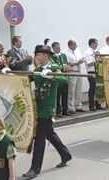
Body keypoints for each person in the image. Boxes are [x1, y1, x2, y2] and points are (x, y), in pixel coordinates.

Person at [23, 45, 72, 178]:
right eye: (36, 55)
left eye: (38, 55)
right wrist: (9, 73)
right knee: (50, 134)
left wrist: (51, 76)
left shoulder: (53, 68)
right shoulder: (38, 69)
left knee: (40, 139)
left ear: (45, 55)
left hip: (48, 107)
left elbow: (64, 80)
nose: (36, 57)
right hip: (38, 105)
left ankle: (35, 169)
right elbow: (26, 79)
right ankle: (65, 154)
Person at [51, 42, 71, 116]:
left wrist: (67, 68)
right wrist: (62, 67)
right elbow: (55, 66)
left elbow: (65, 64)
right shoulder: (52, 56)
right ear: (53, 48)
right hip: (58, 78)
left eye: (59, 47)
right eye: (57, 47)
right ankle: (58, 111)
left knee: (65, 94)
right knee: (58, 95)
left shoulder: (63, 55)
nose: (58, 49)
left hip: (65, 77)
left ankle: (65, 110)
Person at [65, 40, 86, 114]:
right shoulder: (66, 53)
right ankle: (71, 107)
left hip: (79, 72)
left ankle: (78, 106)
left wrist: (82, 60)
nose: (76, 46)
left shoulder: (77, 51)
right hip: (72, 72)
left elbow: (81, 59)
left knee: (78, 90)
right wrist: (77, 62)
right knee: (71, 91)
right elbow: (68, 63)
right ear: (70, 45)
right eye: (75, 45)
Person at [84, 38, 100, 111]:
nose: (97, 45)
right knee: (92, 89)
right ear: (92, 44)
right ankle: (91, 106)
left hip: (96, 71)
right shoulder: (88, 52)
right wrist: (95, 57)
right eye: (96, 43)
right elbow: (89, 63)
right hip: (91, 72)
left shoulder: (94, 52)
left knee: (96, 89)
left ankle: (97, 104)